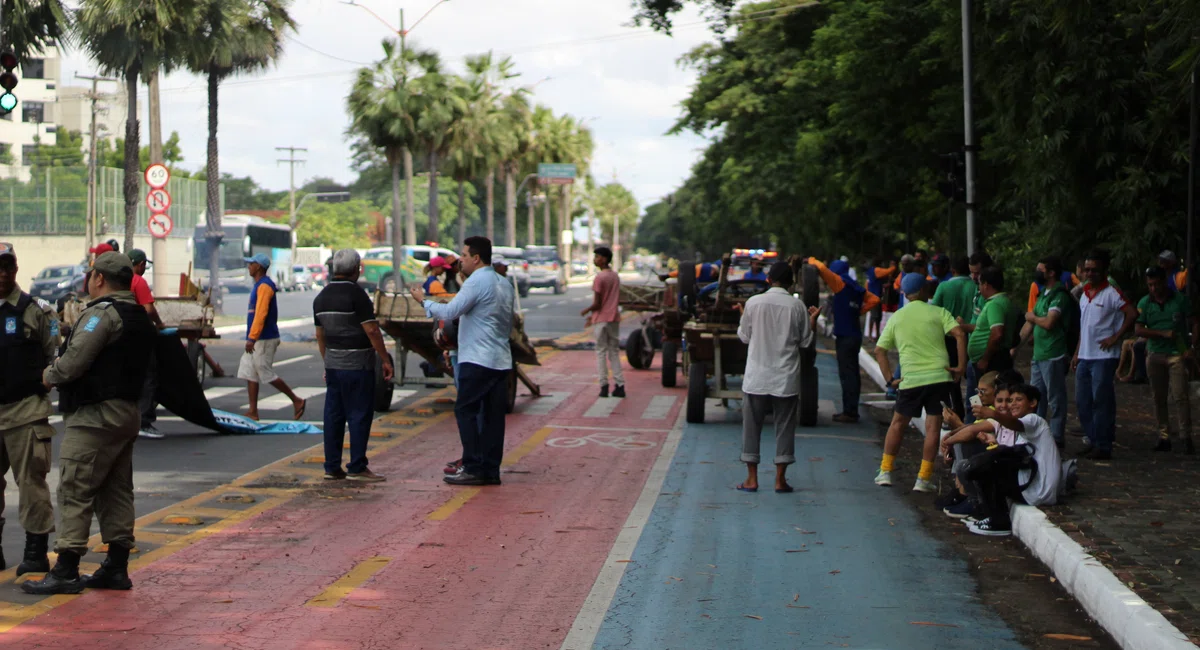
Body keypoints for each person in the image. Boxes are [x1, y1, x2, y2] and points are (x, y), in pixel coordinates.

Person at [23, 252, 154, 595]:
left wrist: (49, 375)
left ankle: (66, 568)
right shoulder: (139, 314)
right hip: (126, 413)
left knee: (75, 487)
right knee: (115, 489)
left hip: (96, 416)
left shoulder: (102, 314)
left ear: (99, 279)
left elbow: (73, 362)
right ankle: (116, 566)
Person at [411, 236, 514, 487]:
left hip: (477, 359)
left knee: (466, 411)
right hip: (500, 359)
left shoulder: (477, 281)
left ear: (476, 258)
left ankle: (472, 466)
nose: (461, 260)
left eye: (464, 256)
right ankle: (490, 469)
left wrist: (422, 301)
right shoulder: (504, 283)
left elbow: (449, 312)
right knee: (492, 416)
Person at [873, 273, 967, 492]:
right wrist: (961, 367)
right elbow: (960, 335)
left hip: (911, 379)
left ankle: (885, 471)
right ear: (925, 291)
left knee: (898, 424)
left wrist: (890, 380)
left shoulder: (897, 317)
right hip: (939, 377)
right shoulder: (939, 312)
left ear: (904, 293)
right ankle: (923, 479)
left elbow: (879, 350)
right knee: (932, 428)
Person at [0, 243, 58, 575]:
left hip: (25, 411)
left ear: (17, 270)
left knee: (31, 483)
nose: (4, 273)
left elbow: (53, 359)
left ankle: (35, 552)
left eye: (9, 266)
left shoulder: (36, 311)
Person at [735, 262, 818, 493]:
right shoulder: (797, 306)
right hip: (785, 377)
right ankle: (780, 480)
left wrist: (745, 317)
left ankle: (751, 479)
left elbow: (744, 336)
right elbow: (804, 342)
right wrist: (812, 323)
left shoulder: (753, 303)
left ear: (769, 280)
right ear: (791, 282)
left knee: (751, 427)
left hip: (756, 377)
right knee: (784, 428)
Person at [314, 249, 395, 482]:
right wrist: (385, 359)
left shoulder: (321, 297)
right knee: (359, 414)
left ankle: (332, 467)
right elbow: (371, 330)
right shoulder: (357, 295)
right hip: (358, 365)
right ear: (357, 269)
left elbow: (320, 336)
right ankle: (357, 466)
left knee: (334, 416)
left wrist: (327, 362)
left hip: (334, 365)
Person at [956, 383, 1062, 537]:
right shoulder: (1022, 431)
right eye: (1011, 401)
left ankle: (998, 522)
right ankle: (989, 516)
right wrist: (992, 443)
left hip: (1038, 491)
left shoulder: (1034, 420)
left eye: (1018, 400)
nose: (1012, 404)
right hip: (1032, 488)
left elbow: (1015, 424)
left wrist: (992, 414)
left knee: (988, 465)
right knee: (991, 460)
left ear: (1032, 403)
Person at [1075, 249, 1138, 460]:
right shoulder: (1084, 294)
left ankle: (1103, 444)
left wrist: (1116, 337)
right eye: (1087, 270)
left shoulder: (1111, 293)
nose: (1090, 273)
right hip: (1085, 355)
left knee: (1101, 401)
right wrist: (1077, 352)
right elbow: (1084, 327)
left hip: (1103, 356)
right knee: (1083, 400)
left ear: (1104, 271)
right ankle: (1093, 439)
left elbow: (1131, 313)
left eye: (1094, 270)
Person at [807, 257, 880, 423]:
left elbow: (823, 270)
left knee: (847, 375)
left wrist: (811, 260)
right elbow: (875, 299)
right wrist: (857, 311)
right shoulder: (856, 287)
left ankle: (850, 412)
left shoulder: (839, 282)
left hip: (845, 337)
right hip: (854, 336)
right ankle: (851, 409)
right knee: (853, 373)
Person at [1136, 266, 1198, 454]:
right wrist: (1160, 333)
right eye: (1150, 285)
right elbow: (1138, 329)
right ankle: (1163, 435)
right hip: (1155, 354)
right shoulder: (1145, 303)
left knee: (1180, 395)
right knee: (1158, 397)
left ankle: (1185, 435)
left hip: (1176, 354)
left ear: (1164, 281)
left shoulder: (1180, 300)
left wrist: (1192, 347)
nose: (1154, 288)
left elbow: (1195, 322)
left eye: (1157, 284)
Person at [239, 253, 305, 422]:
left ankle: (296, 400)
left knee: (263, 371)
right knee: (249, 371)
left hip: (265, 338)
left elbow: (261, 314)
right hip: (257, 338)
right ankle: (253, 411)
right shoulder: (259, 285)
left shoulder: (265, 286)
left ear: (259, 267)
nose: (248, 267)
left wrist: (252, 338)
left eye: (251, 264)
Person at [1012, 256, 1071, 448]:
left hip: (1053, 354)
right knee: (1036, 397)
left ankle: (1056, 436)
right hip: (1038, 355)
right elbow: (1029, 324)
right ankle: (1036, 432)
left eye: (1040, 269)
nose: (1037, 272)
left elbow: (1048, 322)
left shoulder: (1059, 295)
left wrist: (1033, 317)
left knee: (1055, 397)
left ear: (1051, 272)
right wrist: (1015, 347)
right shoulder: (1043, 294)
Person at [938, 371, 1000, 519]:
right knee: (960, 440)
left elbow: (972, 432)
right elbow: (970, 429)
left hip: (992, 456)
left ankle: (967, 495)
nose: (979, 395)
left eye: (983, 391)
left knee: (963, 441)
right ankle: (960, 491)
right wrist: (952, 434)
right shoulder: (985, 412)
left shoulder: (993, 412)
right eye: (978, 391)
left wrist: (951, 436)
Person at [960, 266, 1014, 420]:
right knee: (978, 394)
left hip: (990, 361)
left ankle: (976, 425)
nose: (979, 288)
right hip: (988, 359)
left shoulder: (995, 304)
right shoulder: (1002, 302)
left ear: (986, 285)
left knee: (980, 395)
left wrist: (984, 358)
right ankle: (975, 423)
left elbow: (997, 333)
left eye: (980, 284)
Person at [126, 249, 166, 439]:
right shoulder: (138, 281)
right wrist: (159, 323)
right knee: (148, 376)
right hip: (138, 335)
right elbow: (148, 308)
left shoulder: (117, 280)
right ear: (140, 265)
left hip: (119, 334)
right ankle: (144, 421)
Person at [930, 256, 977, 417]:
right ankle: (976, 413)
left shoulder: (944, 286)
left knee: (951, 380)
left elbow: (934, 311)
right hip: (971, 337)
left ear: (953, 270)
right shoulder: (975, 286)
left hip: (949, 340)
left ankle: (955, 413)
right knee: (973, 380)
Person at [581, 247, 624, 398]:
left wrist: (586, 311)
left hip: (601, 320)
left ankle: (604, 386)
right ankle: (620, 385)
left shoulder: (599, 278)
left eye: (597, 257)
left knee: (600, 352)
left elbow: (597, 303)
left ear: (604, 259)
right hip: (613, 319)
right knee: (614, 352)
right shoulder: (615, 276)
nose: (595, 259)